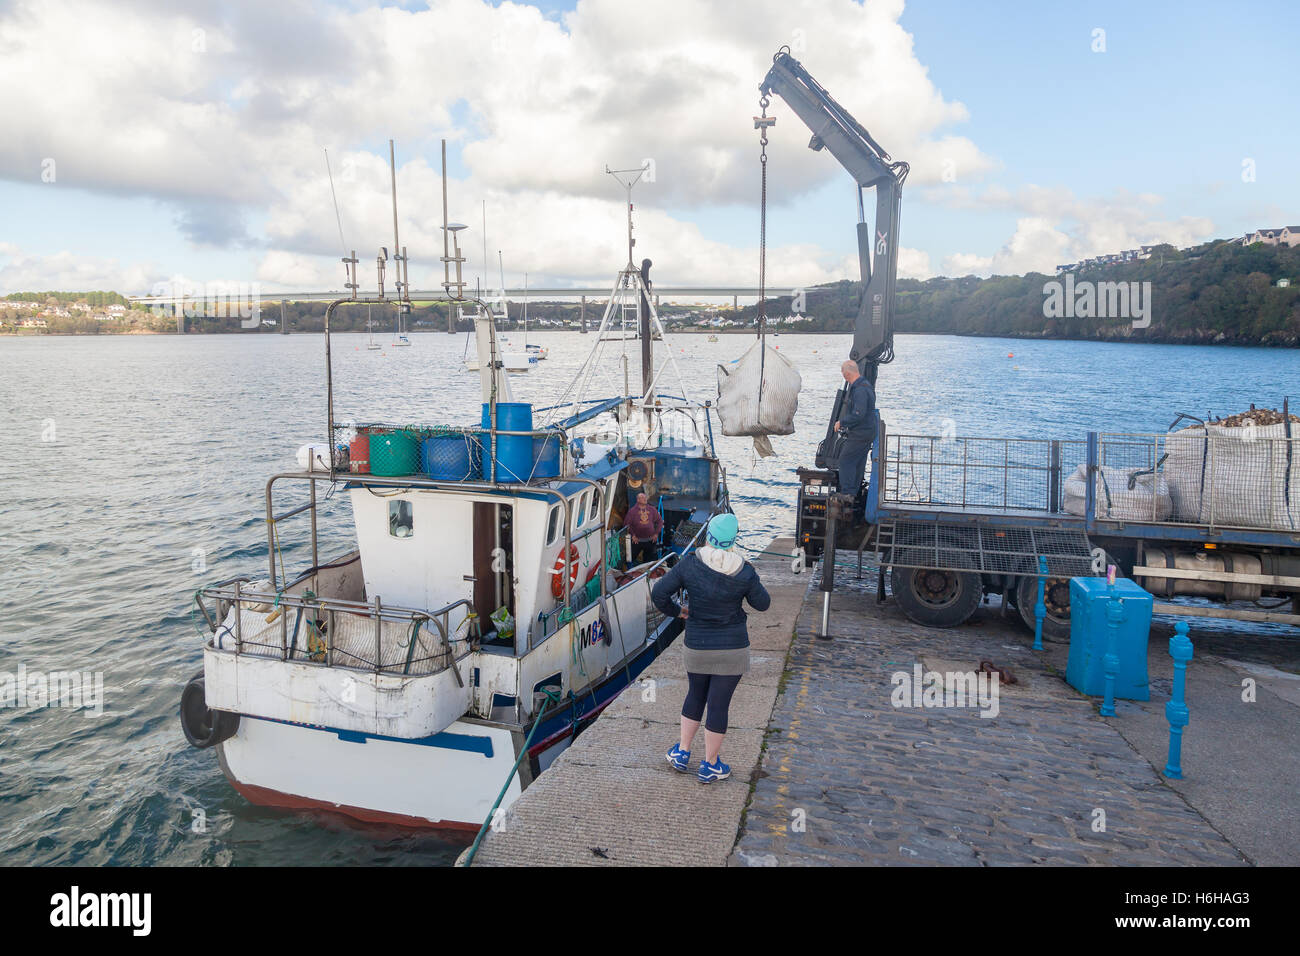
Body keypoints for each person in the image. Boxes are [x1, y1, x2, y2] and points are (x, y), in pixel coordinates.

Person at [651, 513, 770, 784]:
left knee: (695, 694)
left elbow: (659, 593)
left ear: (708, 536)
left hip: (697, 645)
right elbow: (763, 604)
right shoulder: (745, 571)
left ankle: (681, 752)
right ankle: (711, 765)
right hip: (732, 648)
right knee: (718, 705)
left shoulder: (690, 564)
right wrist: (751, 579)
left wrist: (679, 612)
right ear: (733, 540)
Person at [834, 359, 877, 497]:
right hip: (868, 432)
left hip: (861, 433)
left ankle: (847, 493)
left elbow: (858, 414)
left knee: (845, 460)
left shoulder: (859, 390)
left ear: (846, 373)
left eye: (842, 372)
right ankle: (854, 492)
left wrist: (842, 422)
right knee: (858, 461)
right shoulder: (866, 385)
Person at [623, 492, 663, 565]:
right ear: (638, 500)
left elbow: (660, 521)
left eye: (645, 497)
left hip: (650, 540)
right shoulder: (632, 511)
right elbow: (627, 524)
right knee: (630, 559)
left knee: (649, 561)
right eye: (642, 498)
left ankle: (647, 573)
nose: (645, 499)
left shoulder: (652, 509)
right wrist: (633, 535)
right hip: (637, 541)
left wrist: (656, 533)